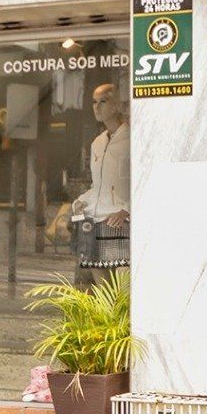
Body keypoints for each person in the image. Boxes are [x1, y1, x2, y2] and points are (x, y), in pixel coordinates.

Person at [73, 83, 130, 281]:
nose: (97, 107)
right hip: (94, 220)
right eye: (94, 102)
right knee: (102, 289)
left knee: (123, 288)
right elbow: (98, 186)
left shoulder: (132, 138)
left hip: (120, 221)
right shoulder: (97, 143)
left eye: (103, 101)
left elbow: (145, 182)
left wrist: (127, 210)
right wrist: (81, 202)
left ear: (117, 105)